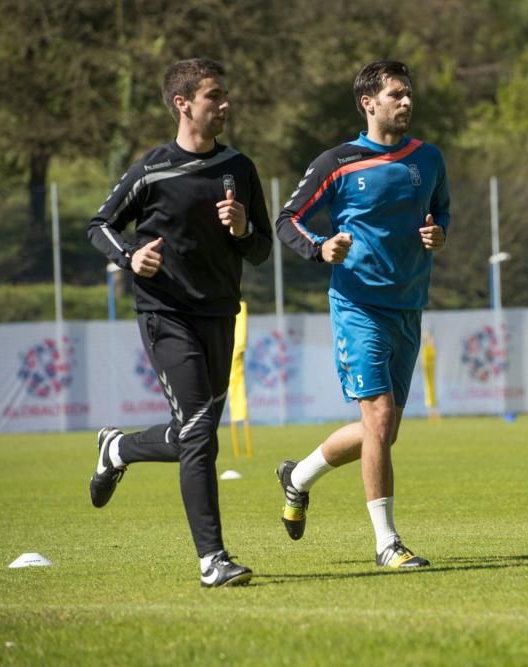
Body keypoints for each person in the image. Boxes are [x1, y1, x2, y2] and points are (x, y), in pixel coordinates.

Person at [86, 58, 272, 587]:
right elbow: (100, 225)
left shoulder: (241, 167)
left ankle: (118, 448)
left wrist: (241, 230)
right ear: (182, 103)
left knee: (195, 435)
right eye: (214, 96)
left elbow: (260, 249)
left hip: (220, 314)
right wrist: (130, 257)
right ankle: (212, 560)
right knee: (198, 433)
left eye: (226, 95)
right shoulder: (152, 168)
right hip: (165, 314)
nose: (225, 105)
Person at [275, 60, 450, 569]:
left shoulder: (430, 158)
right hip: (358, 306)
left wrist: (439, 233)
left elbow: (442, 213)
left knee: (383, 431)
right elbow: (289, 219)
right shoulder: (337, 162)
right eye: (396, 94)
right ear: (367, 103)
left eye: (409, 94)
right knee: (376, 421)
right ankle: (386, 543)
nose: (407, 102)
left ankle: (298, 476)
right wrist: (321, 247)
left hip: (409, 306)